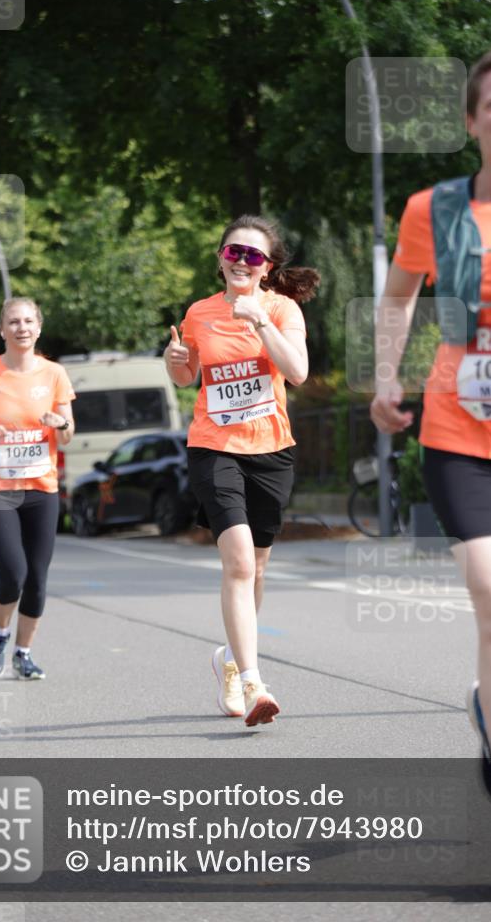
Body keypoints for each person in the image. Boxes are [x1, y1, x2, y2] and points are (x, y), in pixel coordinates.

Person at [370, 48, 491, 883]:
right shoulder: (430, 212)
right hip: (460, 436)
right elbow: (398, 296)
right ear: (472, 122)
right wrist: (382, 378)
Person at [165, 215, 319, 727]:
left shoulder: (281, 308)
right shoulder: (199, 313)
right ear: (220, 258)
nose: (241, 262)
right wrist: (176, 361)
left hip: (271, 448)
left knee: (257, 566)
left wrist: (260, 322)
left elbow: (296, 371)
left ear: (267, 266)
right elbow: (190, 377)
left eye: (253, 255)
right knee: (236, 562)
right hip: (214, 446)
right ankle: (254, 681)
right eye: (234, 252)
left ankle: (229, 661)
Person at [0, 297, 75, 680]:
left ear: (38, 327)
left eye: (28, 321)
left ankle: (24, 654)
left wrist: (60, 423)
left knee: (38, 577)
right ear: (2, 330)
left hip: (42, 487)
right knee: (14, 572)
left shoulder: (55, 374)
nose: (21, 327)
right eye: (13, 322)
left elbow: (69, 434)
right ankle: (0, 633)